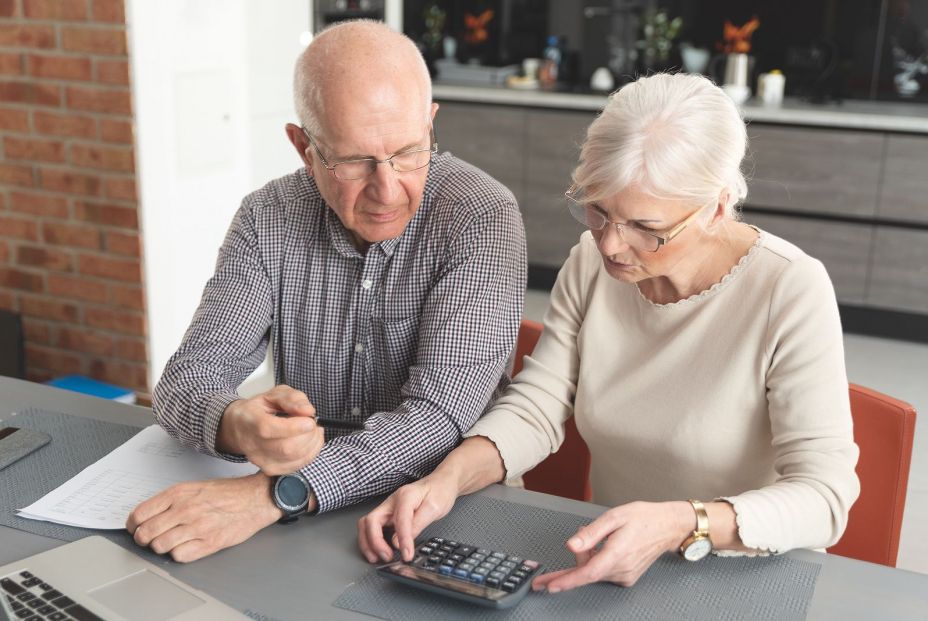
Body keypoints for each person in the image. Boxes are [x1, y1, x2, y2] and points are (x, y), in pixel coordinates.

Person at [358, 72, 860, 591]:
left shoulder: (790, 288)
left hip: (752, 571)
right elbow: (538, 406)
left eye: (647, 228)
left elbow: (824, 498)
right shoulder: (590, 263)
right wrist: (446, 479)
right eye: (598, 210)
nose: (611, 246)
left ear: (715, 206)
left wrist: (680, 524)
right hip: (616, 564)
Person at [126, 21, 526, 562]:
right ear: (303, 147)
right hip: (299, 530)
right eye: (355, 161)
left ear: (431, 124)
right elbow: (186, 378)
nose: (387, 189)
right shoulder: (267, 217)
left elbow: (437, 419)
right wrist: (234, 423)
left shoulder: (481, 216)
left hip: (445, 517)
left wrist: (272, 495)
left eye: (409, 152)